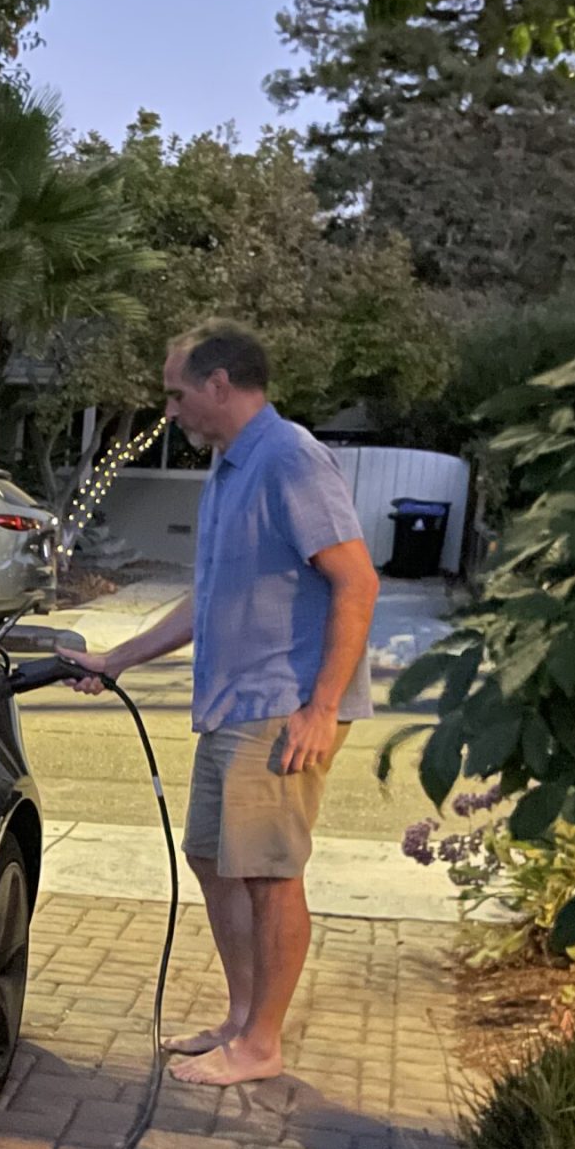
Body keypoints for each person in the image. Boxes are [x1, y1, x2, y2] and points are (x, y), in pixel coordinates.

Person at [66, 320, 381, 1086]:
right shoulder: (231, 470)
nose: (170, 410)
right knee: (211, 858)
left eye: (177, 394)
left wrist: (321, 707)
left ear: (219, 384)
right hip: (233, 706)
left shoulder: (289, 458)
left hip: (282, 707)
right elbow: (206, 602)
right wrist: (115, 659)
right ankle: (242, 1020)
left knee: (270, 875)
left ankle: (262, 1046)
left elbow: (357, 581)